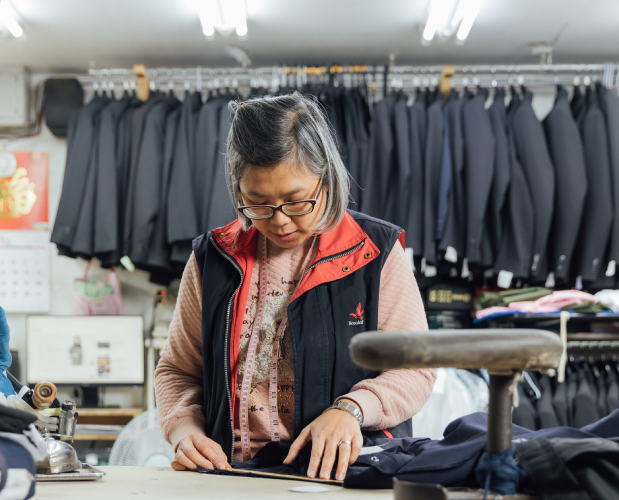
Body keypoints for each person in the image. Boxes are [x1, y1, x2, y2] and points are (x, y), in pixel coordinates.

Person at [155, 92, 435, 482]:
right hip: (231, 479)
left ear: (327, 179)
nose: (281, 221)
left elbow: (415, 369)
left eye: (297, 201)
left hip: (345, 478)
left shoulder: (374, 252)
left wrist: (351, 409)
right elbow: (177, 371)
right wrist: (183, 428)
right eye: (258, 204)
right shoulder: (213, 258)